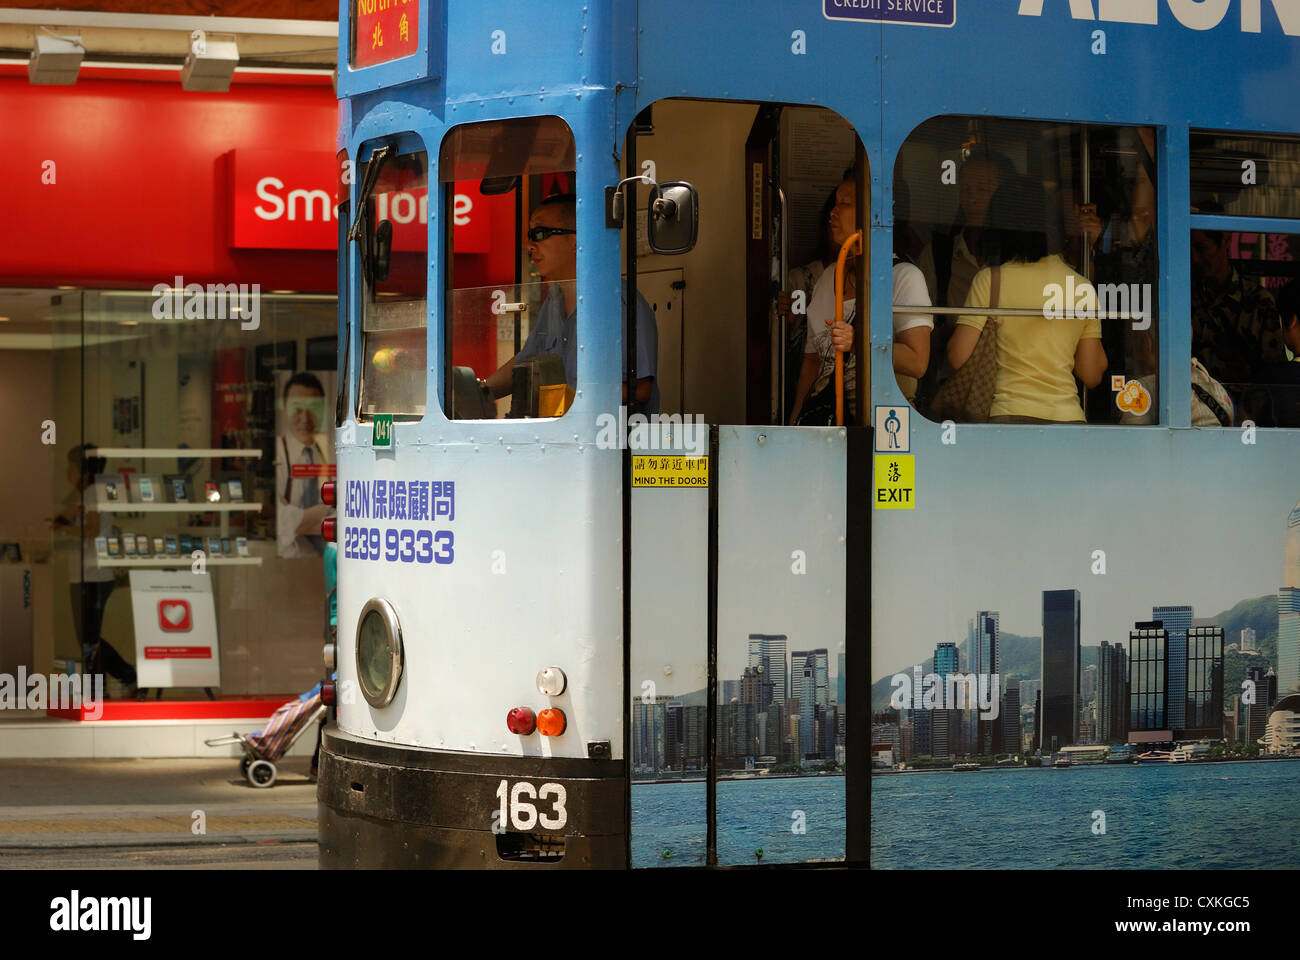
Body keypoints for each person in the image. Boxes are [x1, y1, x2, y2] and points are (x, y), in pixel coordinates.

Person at [948, 178, 1108, 424]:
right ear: (1053, 227)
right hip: (1068, 420)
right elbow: (1091, 374)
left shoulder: (991, 280)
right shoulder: (1080, 285)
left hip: (1008, 418)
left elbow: (958, 356)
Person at [484, 193, 660, 414]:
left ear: (575, 240)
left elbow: (642, 390)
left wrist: (574, 401)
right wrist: (481, 390)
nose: (530, 245)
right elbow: (525, 362)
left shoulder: (621, 303)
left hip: (608, 441)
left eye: (539, 233)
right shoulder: (553, 301)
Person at [48, 444, 137, 690]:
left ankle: (122, 678)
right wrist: (61, 521)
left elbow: (91, 531)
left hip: (93, 573)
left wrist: (64, 528)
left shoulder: (92, 493)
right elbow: (70, 515)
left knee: (89, 637)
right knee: (88, 636)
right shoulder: (85, 493)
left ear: (83, 470)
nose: (67, 471)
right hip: (87, 573)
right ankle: (110, 683)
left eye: (71, 467)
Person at [1190, 223, 1288, 399]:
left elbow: (1274, 375)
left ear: (1226, 240)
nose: (1195, 258)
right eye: (1188, 248)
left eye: (1202, 248)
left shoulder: (1258, 301)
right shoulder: (1183, 297)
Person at [276, 372, 333, 558]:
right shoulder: (276, 455)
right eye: (297, 408)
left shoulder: (331, 454)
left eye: (313, 409)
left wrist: (299, 518)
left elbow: (346, 516)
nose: (305, 418)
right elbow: (281, 521)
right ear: (284, 408)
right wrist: (325, 509)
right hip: (290, 561)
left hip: (328, 559)